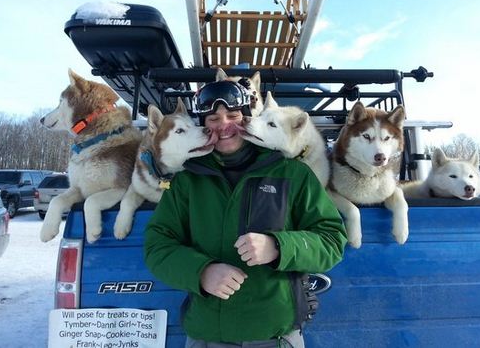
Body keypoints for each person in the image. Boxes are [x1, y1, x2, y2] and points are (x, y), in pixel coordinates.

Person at [144, 79, 346, 348]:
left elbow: (332, 240)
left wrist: (279, 246)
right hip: (208, 335)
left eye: (233, 115)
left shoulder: (292, 174)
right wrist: (201, 272)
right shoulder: (187, 181)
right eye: (213, 118)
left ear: (246, 118)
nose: (224, 125)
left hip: (275, 335)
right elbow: (158, 245)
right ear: (204, 126)